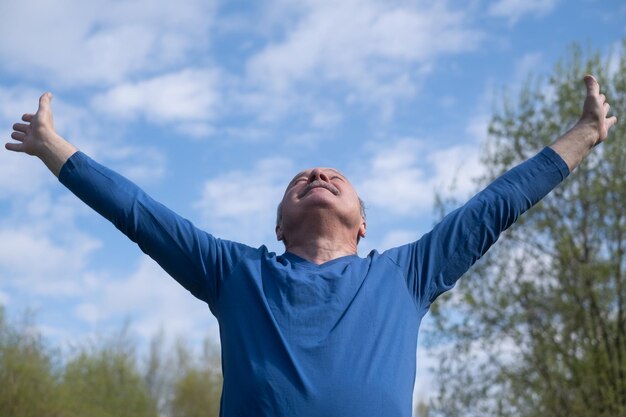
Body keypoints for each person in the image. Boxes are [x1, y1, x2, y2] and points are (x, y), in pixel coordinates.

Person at [6, 75, 617, 416]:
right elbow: (140, 214)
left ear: (362, 225)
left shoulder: (406, 275)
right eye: (302, 179)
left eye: (335, 178)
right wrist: (55, 149)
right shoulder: (234, 274)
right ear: (278, 225)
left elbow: (497, 204)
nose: (319, 178)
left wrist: (587, 133)